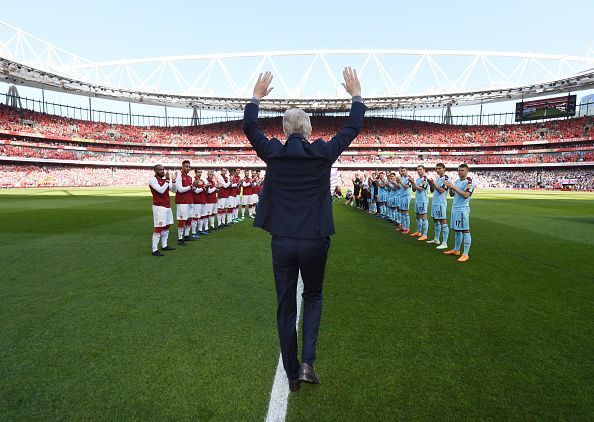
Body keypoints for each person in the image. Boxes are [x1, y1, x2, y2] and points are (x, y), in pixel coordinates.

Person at [243, 68, 365, 392]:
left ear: (284, 129)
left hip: (282, 241)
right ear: (309, 130)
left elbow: (249, 127)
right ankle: (308, 360)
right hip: (314, 239)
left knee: (286, 305)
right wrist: (355, 95)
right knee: (313, 296)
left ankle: (292, 372)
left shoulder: (273, 153)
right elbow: (353, 127)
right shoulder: (323, 153)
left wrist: (256, 96)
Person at [444, 163, 476, 262]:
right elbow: (452, 194)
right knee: (457, 230)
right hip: (455, 209)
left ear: (467, 171)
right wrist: (450, 187)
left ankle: (465, 254)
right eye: (458, 170)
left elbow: (466, 195)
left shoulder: (470, 182)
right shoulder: (457, 181)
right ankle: (456, 250)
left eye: (462, 170)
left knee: (465, 230)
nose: (459, 172)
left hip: (462, 209)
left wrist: (453, 187)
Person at [148, 164, 176, 256]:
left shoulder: (165, 180)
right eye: (160, 170)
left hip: (167, 206)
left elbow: (174, 190)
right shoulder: (152, 180)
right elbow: (161, 190)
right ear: (155, 171)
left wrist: (174, 181)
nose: (162, 171)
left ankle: (164, 245)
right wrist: (167, 180)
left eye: (163, 170)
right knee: (159, 227)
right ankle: (154, 249)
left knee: (167, 226)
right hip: (159, 207)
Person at [427, 163, 450, 249]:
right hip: (435, 202)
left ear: (444, 169)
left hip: (441, 203)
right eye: (436, 169)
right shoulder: (437, 179)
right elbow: (433, 190)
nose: (437, 170)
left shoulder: (446, 179)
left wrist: (434, 183)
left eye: (439, 168)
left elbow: (441, 190)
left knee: (443, 221)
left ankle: (445, 242)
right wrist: (431, 184)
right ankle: (436, 239)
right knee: (435, 220)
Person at [172, 160, 194, 245]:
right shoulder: (179, 176)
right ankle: (180, 239)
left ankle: (186, 235)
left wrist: (195, 187)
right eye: (187, 166)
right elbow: (180, 190)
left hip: (189, 200)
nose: (188, 168)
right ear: (182, 167)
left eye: (189, 167)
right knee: (182, 219)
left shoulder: (189, 177)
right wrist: (191, 186)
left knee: (189, 218)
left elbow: (190, 189)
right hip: (182, 201)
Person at [409, 165, 429, 241]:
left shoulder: (425, 179)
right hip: (417, 199)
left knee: (423, 216)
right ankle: (419, 232)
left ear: (424, 170)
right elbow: (414, 189)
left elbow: (420, 189)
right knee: (417, 216)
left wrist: (413, 182)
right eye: (417, 170)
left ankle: (425, 235)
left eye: (420, 169)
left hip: (423, 200)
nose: (419, 171)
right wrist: (412, 182)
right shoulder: (418, 179)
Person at [396, 167, 412, 234]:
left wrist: (400, 181)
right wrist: (395, 183)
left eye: (404, 171)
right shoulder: (402, 178)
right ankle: (403, 227)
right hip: (401, 197)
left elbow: (406, 187)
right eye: (401, 171)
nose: (402, 172)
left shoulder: (409, 178)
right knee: (402, 212)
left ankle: (407, 228)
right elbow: (400, 187)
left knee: (405, 212)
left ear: (407, 171)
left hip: (406, 197)